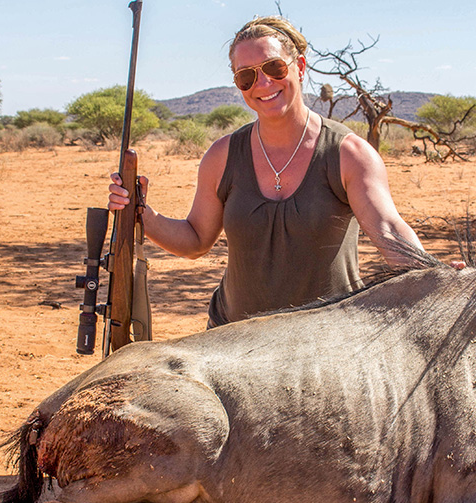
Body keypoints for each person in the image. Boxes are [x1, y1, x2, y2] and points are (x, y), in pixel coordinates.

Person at [108, 16, 425, 327]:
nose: (263, 83)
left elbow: (388, 229)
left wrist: (432, 274)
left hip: (328, 349)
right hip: (233, 340)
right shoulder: (222, 156)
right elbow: (196, 240)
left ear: (299, 68)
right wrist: (141, 214)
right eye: (246, 76)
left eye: (274, 67)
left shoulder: (348, 154)